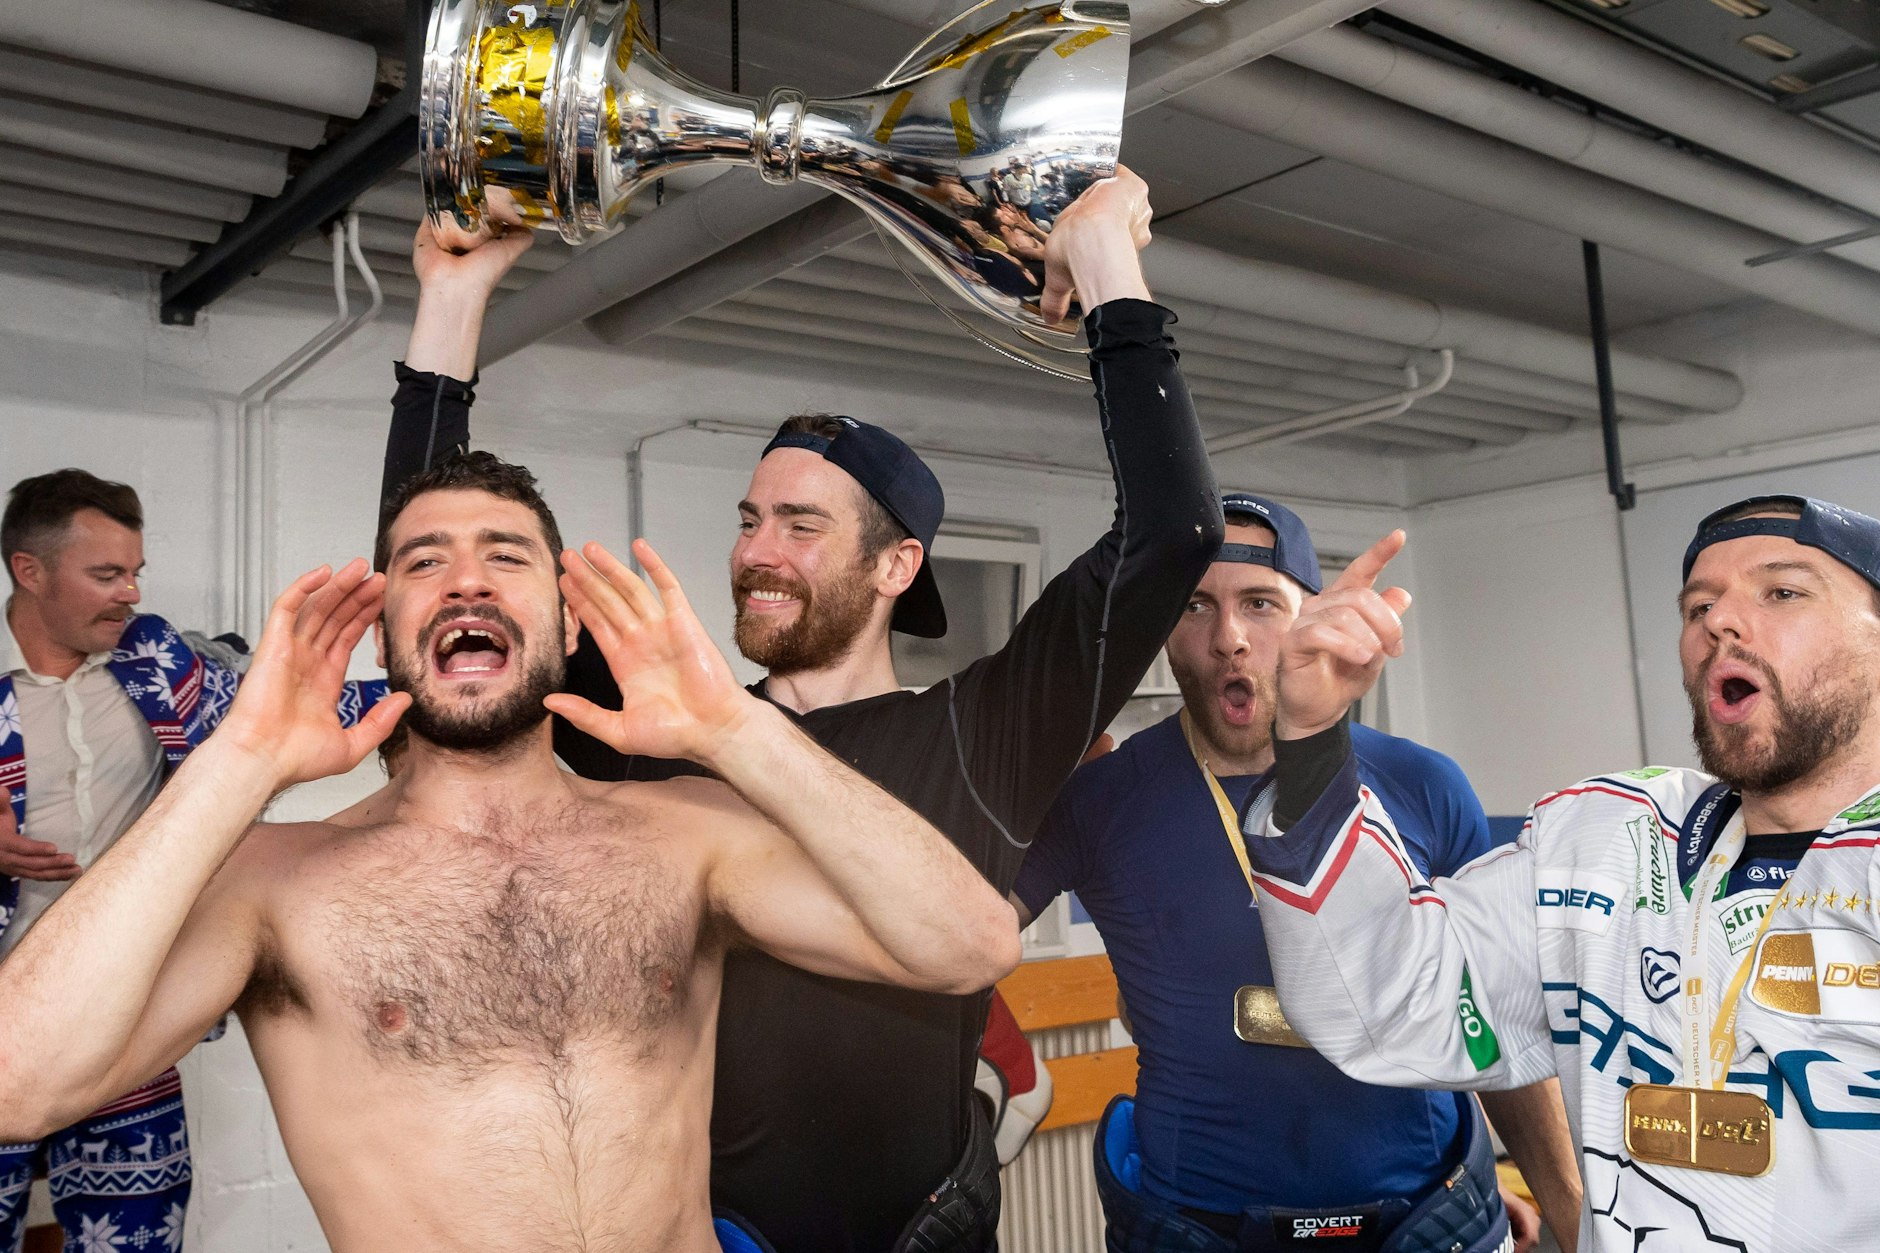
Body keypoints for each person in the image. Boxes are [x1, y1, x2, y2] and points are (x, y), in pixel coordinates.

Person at [384, 167, 1221, 1253]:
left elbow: (1171, 535)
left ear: (895, 564)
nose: (753, 553)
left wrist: (1106, 257)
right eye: (747, 518)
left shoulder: (975, 734)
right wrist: (450, 308)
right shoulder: (652, 730)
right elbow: (435, 595)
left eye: (798, 525)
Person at [0, 452, 1020, 1253]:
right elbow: (18, 1084)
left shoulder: (688, 830)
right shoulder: (274, 879)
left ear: (564, 615)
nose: (466, 580)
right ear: (384, 624)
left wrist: (733, 732)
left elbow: (966, 945)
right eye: (423, 560)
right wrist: (241, 762)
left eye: (506, 553)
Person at [1242, 495, 1880, 1252]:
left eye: (1782, 591)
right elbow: (1390, 998)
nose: (1719, 622)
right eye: (1699, 604)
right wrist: (1312, 739)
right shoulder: (1609, 844)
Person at [1012, 494, 1580, 1253]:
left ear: (1311, 614)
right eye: (1194, 605)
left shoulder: (1423, 785)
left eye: (1260, 603)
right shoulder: (1098, 798)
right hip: (1196, 1226)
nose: (1229, 639)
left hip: (1428, 1216)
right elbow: (944, 937)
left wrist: (1567, 1207)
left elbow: (1493, 1023)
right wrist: (1001, 780)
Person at [0, 469, 385, 1253]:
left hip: (124, 1018)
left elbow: (282, 712)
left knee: (135, 1240)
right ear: (28, 570)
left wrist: (441, 685)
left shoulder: (155, 661)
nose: (130, 592)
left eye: (135, 571)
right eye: (107, 575)